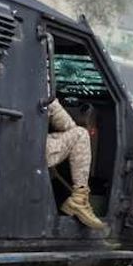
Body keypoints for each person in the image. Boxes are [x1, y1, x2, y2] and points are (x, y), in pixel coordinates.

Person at [46, 98, 106, 229]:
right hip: (28, 146)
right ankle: (79, 198)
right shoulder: (36, 82)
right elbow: (61, 120)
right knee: (80, 135)